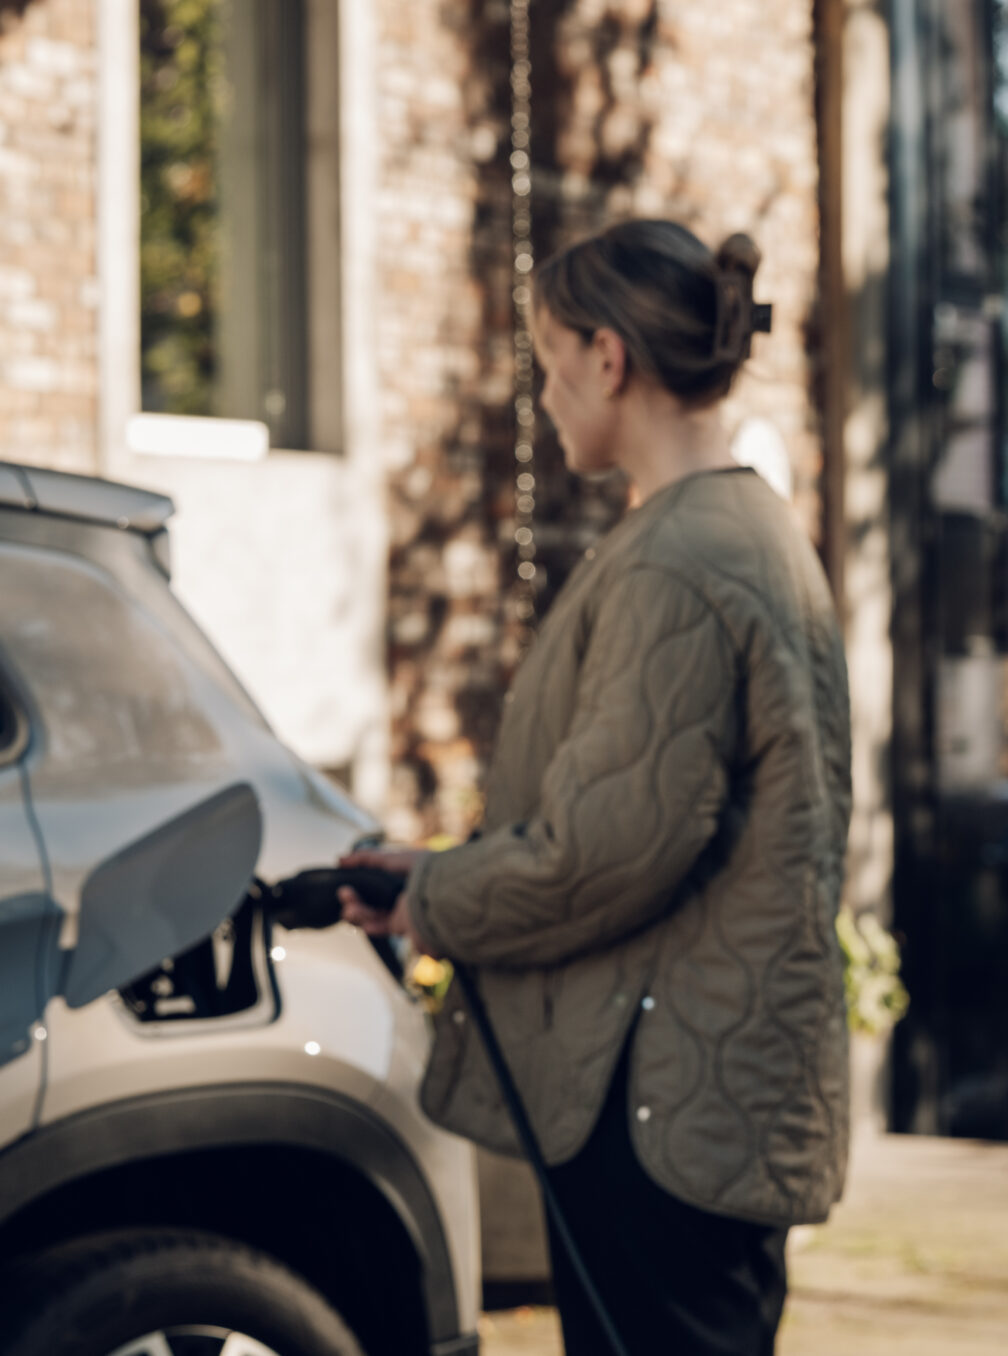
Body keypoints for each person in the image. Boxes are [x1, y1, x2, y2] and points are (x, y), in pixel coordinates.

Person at [338, 219, 852, 1356]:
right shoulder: (748, 528)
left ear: (608, 359)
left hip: (661, 1112)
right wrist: (436, 876)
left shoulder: (680, 558)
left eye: (549, 362)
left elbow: (603, 852)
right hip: (701, 1095)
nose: (547, 395)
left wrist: (437, 902)